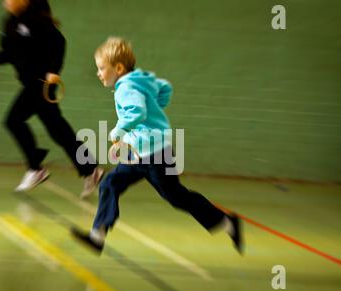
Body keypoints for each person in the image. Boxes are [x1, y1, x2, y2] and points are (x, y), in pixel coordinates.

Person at [72, 37, 244, 254]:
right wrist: (157, 106)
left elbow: (137, 111)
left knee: (177, 197)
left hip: (155, 154)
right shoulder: (141, 79)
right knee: (110, 184)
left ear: (118, 67)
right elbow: (165, 87)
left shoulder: (125, 87)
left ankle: (227, 222)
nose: (98, 73)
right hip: (139, 153)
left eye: (101, 68)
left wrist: (119, 131)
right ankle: (98, 236)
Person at [0, 0, 103, 197]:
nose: (6, 1)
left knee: (13, 120)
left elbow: (59, 42)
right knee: (58, 130)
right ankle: (90, 169)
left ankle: (35, 168)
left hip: (41, 84)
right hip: (29, 83)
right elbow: (9, 52)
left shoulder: (37, 20)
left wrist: (53, 71)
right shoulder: (10, 22)